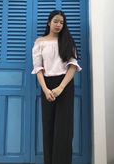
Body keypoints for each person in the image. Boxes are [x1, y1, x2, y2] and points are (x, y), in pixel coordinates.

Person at [32, 10, 82, 164]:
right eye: (55, 21)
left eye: (61, 22)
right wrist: (46, 89)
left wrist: (61, 87)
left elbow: (72, 67)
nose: (59, 24)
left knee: (64, 129)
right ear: (49, 23)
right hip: (47, 85)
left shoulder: (68, 41)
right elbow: (38, 68)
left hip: (65, 85)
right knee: (48, 127)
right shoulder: (39, 42)